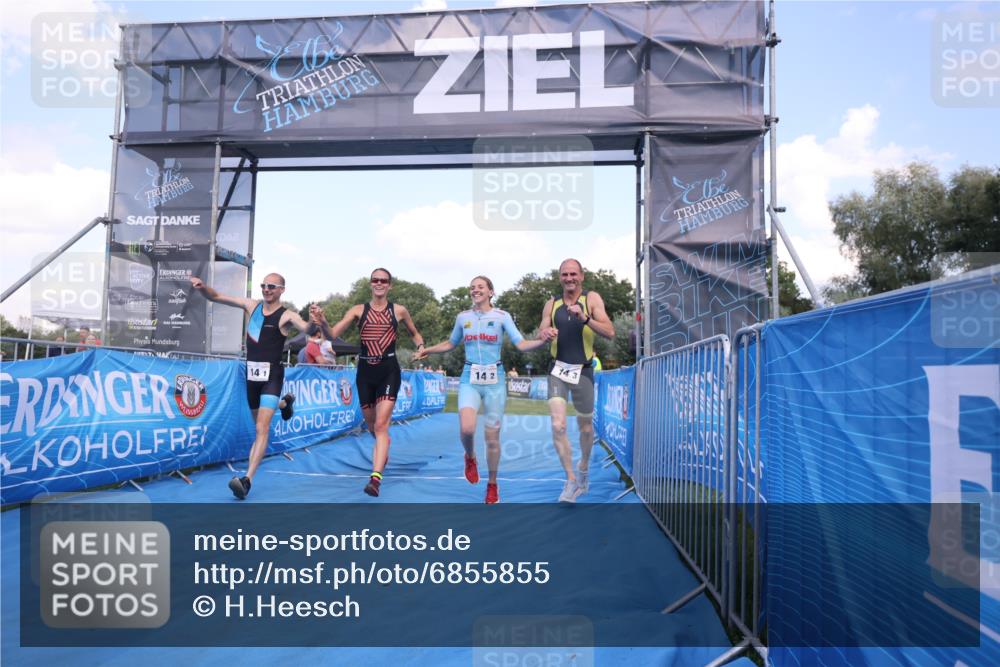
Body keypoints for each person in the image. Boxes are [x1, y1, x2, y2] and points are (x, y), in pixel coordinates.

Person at [414, 276, 556, 504]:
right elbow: (451, 343)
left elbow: (520, 344)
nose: (475, 290)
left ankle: (492, 484)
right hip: (470, 376)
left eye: (480, 287)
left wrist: (543, 341)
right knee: (467, 428)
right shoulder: (463, 318)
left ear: (491, 292)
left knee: (492, 437)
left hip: (495, 380)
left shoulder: (502, 317)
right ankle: (470, 457)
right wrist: (427, 350)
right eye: (472, 287)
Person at [190, 273, 309, 500]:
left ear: (282, 289)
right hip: (252, 375)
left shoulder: (286, 315)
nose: (266, 289)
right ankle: (285, 403)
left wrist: (315, 322)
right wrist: (202, 288)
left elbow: (306, 327)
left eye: (271, 286)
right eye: (264, 285)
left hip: (272, 375)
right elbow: (216, 296)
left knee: (261, 429)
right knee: (259, 422)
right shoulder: (251, 306)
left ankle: (247, 480)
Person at [312, 268, 425, 497]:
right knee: (373, 427)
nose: (379, 283)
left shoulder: (399, 310)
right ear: (371, 284)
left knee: (382, 426)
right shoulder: (357, 310)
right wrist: (323, 321)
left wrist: (421, 347)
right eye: (375, 280)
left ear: (390, 285)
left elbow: (414, 333)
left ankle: (375, 479)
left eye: (384, 280)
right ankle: (382, 451)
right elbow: (332, 335)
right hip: (364, 372)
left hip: (388, 371)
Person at [538, 259, 615, 503]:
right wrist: (545, 333)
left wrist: (584, 318)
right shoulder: (552, 303)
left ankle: (583, 467)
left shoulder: (591, 299)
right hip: (557, 370)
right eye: (564, 274)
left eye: (573, 274)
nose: (569, 278)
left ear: (581, 276)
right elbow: (541, 330)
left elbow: (610, 332)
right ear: (559, 277)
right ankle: (571, 480)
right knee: (558, 425)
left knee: (585, 428)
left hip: (583, 371)